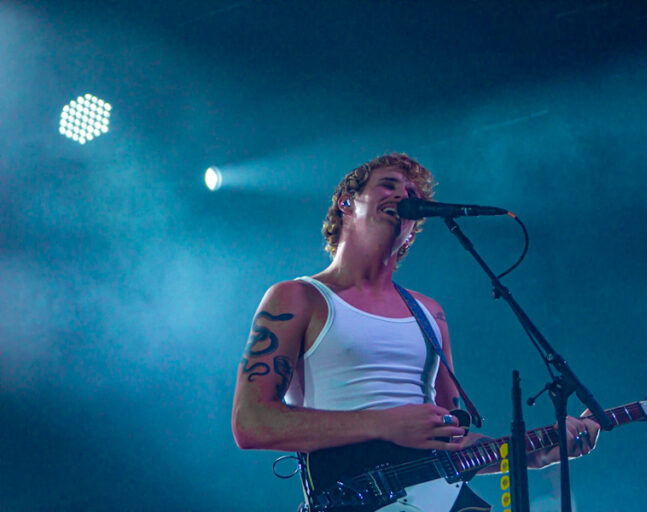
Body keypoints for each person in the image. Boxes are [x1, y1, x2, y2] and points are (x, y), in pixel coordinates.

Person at [231, 153, 600, 509]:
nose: (402, 196)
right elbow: (251, 423)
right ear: (346, 202)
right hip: (351, 497)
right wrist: (384, 424)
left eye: (412, 194)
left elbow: (452, 443)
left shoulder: (429, 313)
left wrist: (533, 455)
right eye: (388, 185)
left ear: (411, 234)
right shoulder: (297, 297)